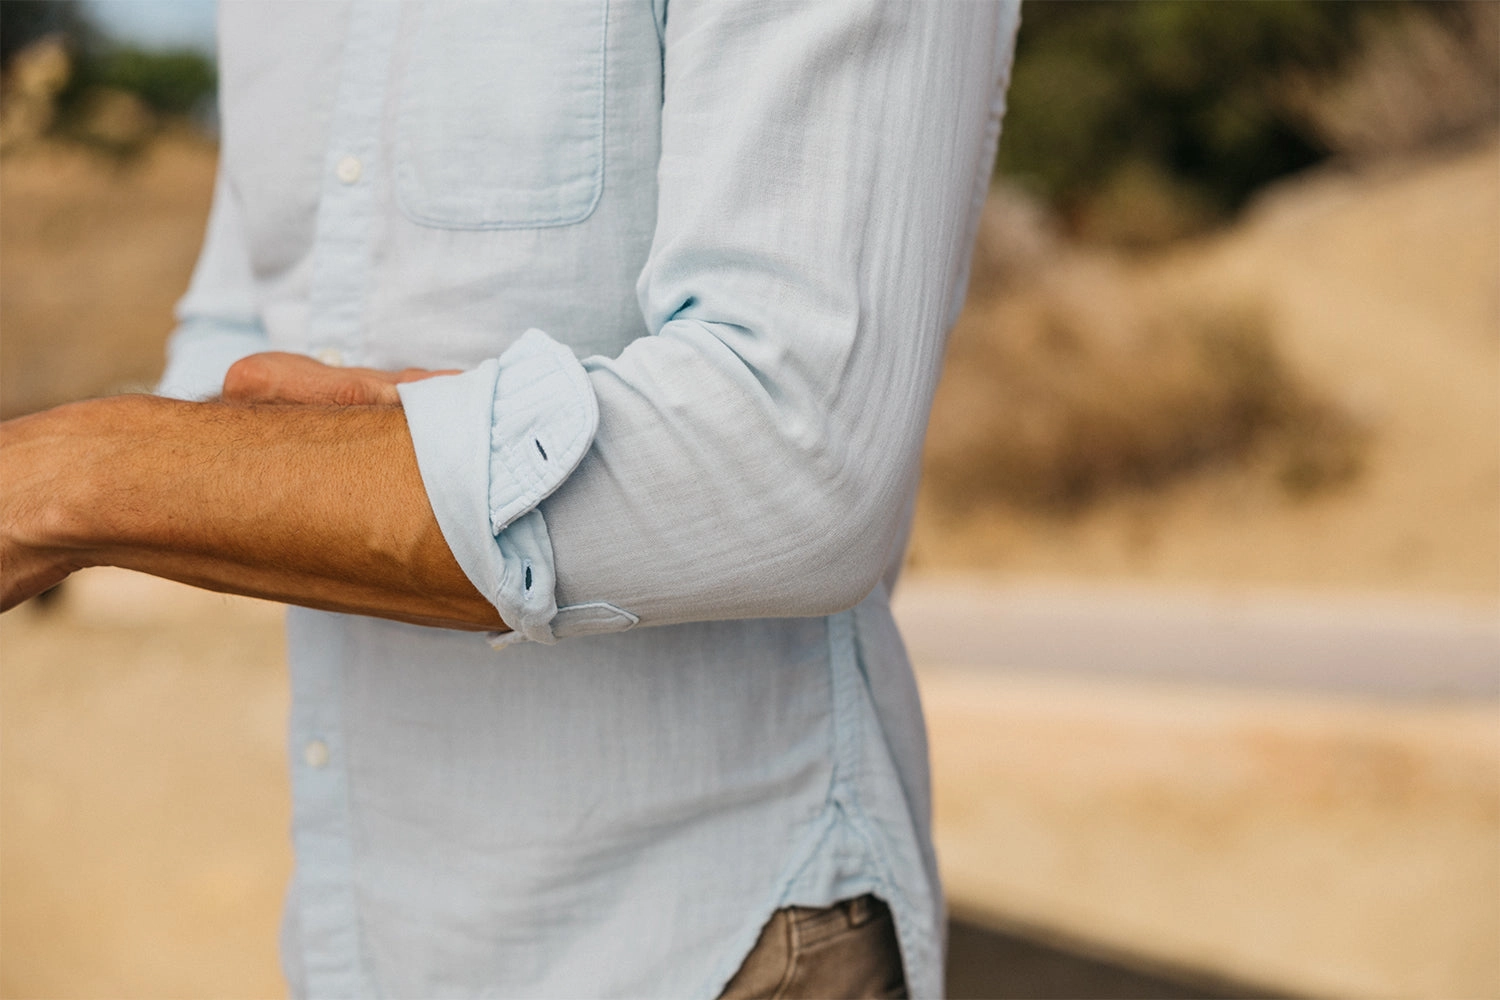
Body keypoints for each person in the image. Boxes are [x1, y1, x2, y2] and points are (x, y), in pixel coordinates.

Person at [0, 2, 1019, 996]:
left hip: (726, 939)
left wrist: (78, 475)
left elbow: (795, 454)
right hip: (365, 932)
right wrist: (348, 458)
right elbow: (229, 356)